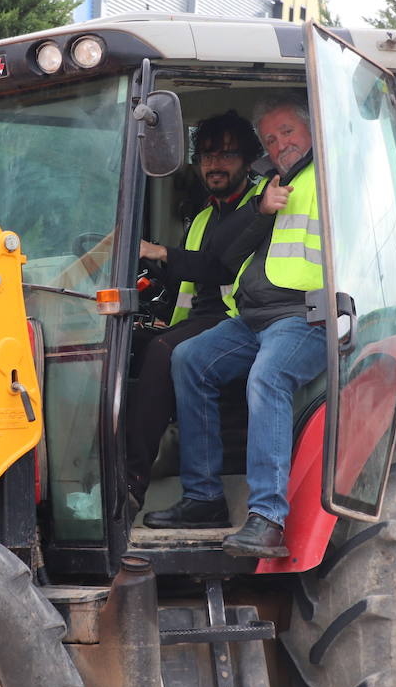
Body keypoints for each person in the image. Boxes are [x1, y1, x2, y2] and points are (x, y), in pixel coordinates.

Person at [144, 92, 327, 559]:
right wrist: (259, 209)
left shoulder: (330, 179)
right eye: (271, 137)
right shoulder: (270, 186)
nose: (280, 142)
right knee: (188, 359)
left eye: (288, 132)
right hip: (253, 319)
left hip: (305, 316)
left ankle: (266, 517)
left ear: (312, 130)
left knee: (269, 376)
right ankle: (204, 498)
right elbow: (222, 257)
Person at [126, 111, 262, 508]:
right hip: (202, 320)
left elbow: (220, 264)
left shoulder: (259, 209)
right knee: (124, 344)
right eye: (205, 156)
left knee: (165, 351)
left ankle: (132, 483)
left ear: (249, 160)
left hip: (242, 321)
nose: (213, 165)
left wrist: (162, 252)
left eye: (225, 155)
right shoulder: (203, 215)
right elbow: (189, 280)